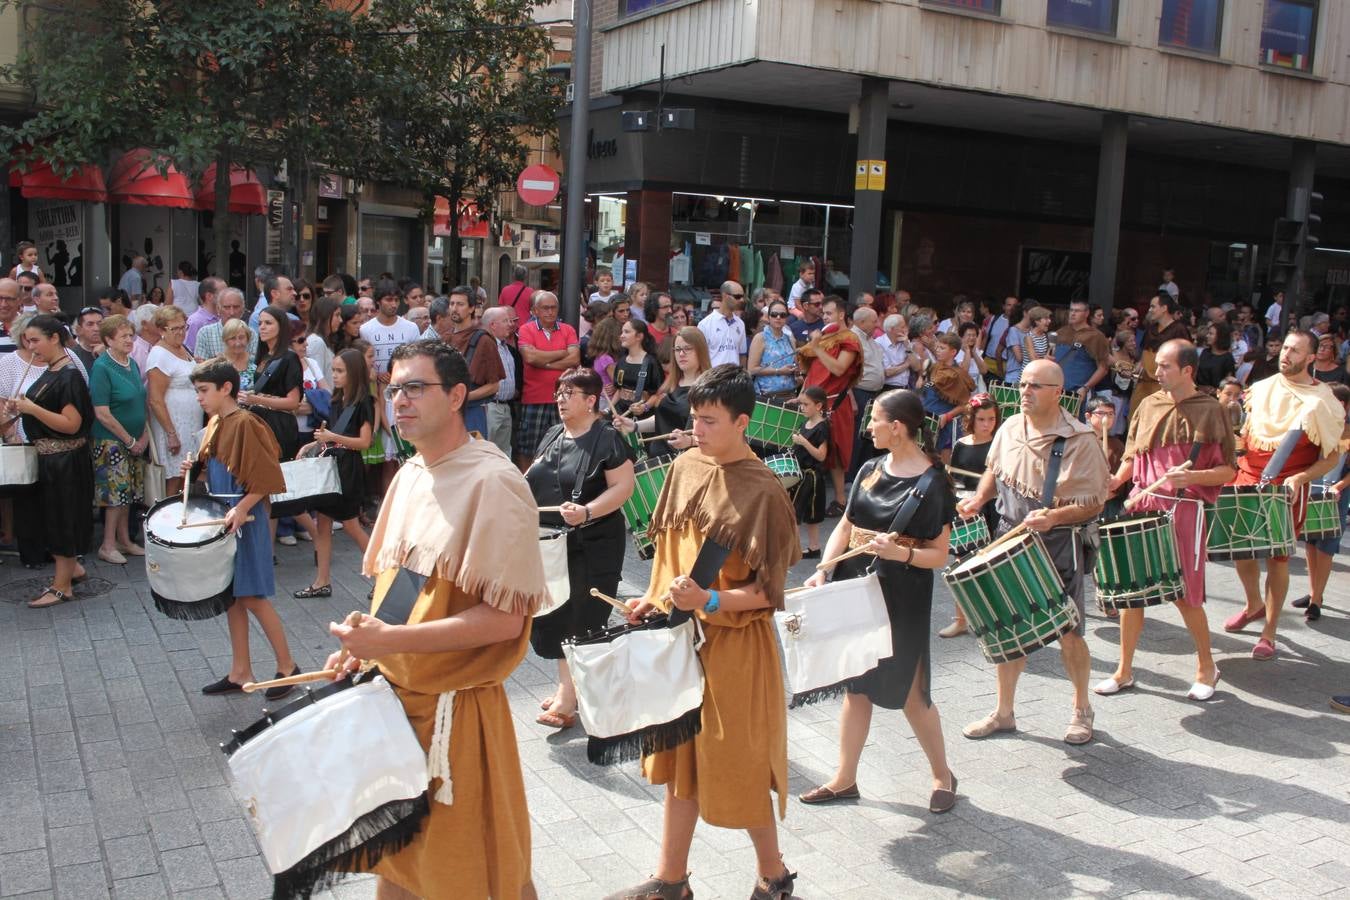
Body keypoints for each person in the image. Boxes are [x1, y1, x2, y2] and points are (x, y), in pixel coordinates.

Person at [325, 339, 547, 899]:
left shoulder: (494, 482)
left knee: (473, 873)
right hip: (395, 703)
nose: (399, 400)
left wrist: (392, 640)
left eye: (415, 388)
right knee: (398, 868)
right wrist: (364, 645)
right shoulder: (410, 473)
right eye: (393, 388)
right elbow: (400, 588)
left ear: (456, 396)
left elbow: (503, 621)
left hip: (455, 713)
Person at [610, 365, 800, 900]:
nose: (698, 429)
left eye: (710, 420)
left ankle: (774, 875)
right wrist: (649, 600)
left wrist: (709, 599)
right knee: (679, 760)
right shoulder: (686, 466)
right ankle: (671, 879)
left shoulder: (765, 491)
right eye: (694, 418)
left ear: (743, 422)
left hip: (736, 648)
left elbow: (770, 595)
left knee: (737, 763)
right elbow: (668, 553)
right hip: (679, 640)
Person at [799, 387, 957, 812]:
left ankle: (943, 775)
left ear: (897, 427)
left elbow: (938, 555)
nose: (868, 428)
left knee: (911, 692)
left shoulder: (933, 482)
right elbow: (846, 526)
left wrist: (901, 552)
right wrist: (822, 569)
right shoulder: (870, 467)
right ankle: (844, 778)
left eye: (875, 421)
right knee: (857, 687)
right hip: (857, 585)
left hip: (903, 590)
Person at [956, 359, 1109, 745]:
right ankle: (1003, 712)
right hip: (1009, 537)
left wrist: (1055, 516)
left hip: (1057, 544)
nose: (1025, 391)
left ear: (1059, 393)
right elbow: (996, 469)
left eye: (1036, 386)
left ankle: (1081, 709)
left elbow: (1095, 504)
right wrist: (978, 499)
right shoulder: (1009, 426)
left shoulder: (1080, 439)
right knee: (1008, 629)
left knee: (1069, 632)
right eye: (1023, 384)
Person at [1101, 340, 1236, 700]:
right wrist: (1116, 481)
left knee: (1185, 596)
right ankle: (1124, 669)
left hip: (1183, 510)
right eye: (1157, 365)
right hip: (1143, 503)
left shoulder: (1211, 410)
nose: (1156, 372)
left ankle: (1207, 666)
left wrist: (1191, 478)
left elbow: (1226, 471)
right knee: (1132, 594)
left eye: (1164, 366)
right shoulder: (1148, 404)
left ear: (1188, 371)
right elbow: (1134, 454)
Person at [526, 368, 636, 729]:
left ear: (591, 401)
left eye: (569, 393)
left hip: (593, 542)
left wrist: (588, 510)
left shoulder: (608, 439)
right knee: (557, 614)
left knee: (581, 617)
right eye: (559, 392)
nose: (560, 398)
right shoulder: (553, 433)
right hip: (553, 543)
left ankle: (568, 697)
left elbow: (623, 487)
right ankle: (570, 688)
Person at [1224, 330, 1344, 659]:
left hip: (1288, 486)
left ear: (1310, 357)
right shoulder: (1260, 389)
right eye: (1285, 348)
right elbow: (1244, 435)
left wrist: (1303, 477)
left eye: (1294, 350)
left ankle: (1270, 631)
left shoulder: (1322, 400)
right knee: (1240, 549)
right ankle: (1253, 605)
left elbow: (1332, 457)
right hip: (1247, 477)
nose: (1286, 354)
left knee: (1278, 559)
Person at [183, 360, 299, 699]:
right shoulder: (218, 420)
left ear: (226, 388)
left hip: (244, 520)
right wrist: (195, 467)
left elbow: (267, 477)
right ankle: (240, 671)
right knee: (233, 597)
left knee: (252, 597)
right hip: (228, 517)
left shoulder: (246, 423)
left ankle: (288, 667)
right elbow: (214, 468)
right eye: (197, 391)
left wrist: (242, 507)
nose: (199, 398)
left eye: (204, 391)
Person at [6, 316, 93, 607]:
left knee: (62, 521)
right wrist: (19, 410)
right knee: (52, 520)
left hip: (65, 460)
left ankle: (62, 586)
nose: (30, 347)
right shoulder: (52, 370)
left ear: (54, 338)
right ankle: (72, 571)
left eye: (35, 340)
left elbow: (71, 424)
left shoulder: (67, 374)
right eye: (27, 341)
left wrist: (31, 408)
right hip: (51, 458)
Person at [294, 349, 373, 598]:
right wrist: (314, 444)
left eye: (340, 371)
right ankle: (322, 581)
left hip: (348, 469)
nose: (335, 376)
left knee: (350, 525)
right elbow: (333, 436)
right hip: (332, 466)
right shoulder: (337, 401)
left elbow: (364, 442)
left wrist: (331, 438)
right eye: (334, 371)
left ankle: (384, 577)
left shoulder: (364, 402)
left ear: (354, 373)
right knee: (323, 525)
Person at [90, 315, 149, 564]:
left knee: (130, 493)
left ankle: (125, 541)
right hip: (110, 441)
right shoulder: (102, 367)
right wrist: (128, 440)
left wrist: (143, 435)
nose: (129, 340)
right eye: (123, 336)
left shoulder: (132, 363)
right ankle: (108, 544)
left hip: (134, 439)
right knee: (115, 496)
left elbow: (139, 401)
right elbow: (102, 412)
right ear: (108, 340)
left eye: (130, 335)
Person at [941, 392, 1000, 638]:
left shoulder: (1000, 444)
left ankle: (995, 620)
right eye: (982, 419)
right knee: (960, 564)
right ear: (971, 420)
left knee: (992, 566)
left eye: (992, 419)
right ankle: (961, 619)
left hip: (992, 509)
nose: (987, 424)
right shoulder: (961, 444)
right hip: (964, 510)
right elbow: (954, 480)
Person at [1291, 382, 1350, 622]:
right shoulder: (1316, 427)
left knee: (1326, 546)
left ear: (1343, 405)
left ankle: (1316, 601)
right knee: (1311, 543)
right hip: (1313, 489)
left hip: (1336, 493)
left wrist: (1339, 486)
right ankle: (1315, 592)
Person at [799, 296, 861, 515]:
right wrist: (801, 396)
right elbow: (813, 372)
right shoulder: (825, 338)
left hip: (835, 402)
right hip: (813, 401)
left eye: (829, 313)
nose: (824, 317)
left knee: (834, 452)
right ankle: (804, 496)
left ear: (841, 314)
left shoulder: (849, 338)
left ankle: (841, 500)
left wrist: (816, 348)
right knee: (807, 448)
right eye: (823, 313)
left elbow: (838, 369)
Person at [615, 327, 710, 458]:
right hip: (657, 459)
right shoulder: (671, 383)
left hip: (682, 462)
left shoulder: (709, 389)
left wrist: (690, 441)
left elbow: (717, 434)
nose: (681, 354)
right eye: (677, 349)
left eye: (687, 348)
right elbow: (665, 420)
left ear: (700, 351)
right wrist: (635, 426)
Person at [514, 291, 580, 468]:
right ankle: (525, 485)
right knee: (528, 447)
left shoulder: (568, 329)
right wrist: (561, 353)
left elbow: (574, 359)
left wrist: (545, 362)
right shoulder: (526, 329)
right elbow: (530, 358)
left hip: (563, 398)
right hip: (534, 398)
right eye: (545, 308)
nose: (550, 312)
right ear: (535, 311)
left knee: (563, 445)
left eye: (554, 307)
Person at [145, 305, 200, 498]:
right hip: (173, 425)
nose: (180, 332)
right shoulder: (159, 354)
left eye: (183, 327)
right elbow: (155, 399)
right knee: (174, 478)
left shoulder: (181, 347)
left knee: (184, 475)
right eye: (174, 329)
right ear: (161, 330)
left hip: (189, 426)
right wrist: (171, 434)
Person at [240, 306, 303, 463]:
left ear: (281, 327)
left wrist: (256, 400)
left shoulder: (289, 358)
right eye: (260, 323)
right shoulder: (265, 356)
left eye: (268, 323)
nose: (262, 327)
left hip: (279, 425)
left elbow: (293, 402)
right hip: (260, 422)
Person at [438, 287, 503, 437]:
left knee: (471, 458)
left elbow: (494, 386)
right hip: (445, 410)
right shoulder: (444, 339)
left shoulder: (484, 340)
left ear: (472, 308)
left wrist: (465, 396)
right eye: (452, 304)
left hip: (472, 412)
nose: (454, 308)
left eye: (460, 304)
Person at [921, 333, 974, 463]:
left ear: (953, 352)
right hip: (928, 421)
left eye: (942, 348)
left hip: (947, 425)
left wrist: (947, 416)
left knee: (944, 465)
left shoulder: (959, 374)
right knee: (923, 462)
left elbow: (964, 404)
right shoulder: (934, 367)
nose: (938, 351)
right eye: (937, 347)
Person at [790, 385, 830, 557]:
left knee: (797, 512)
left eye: (806, 405)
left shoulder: (822, 427)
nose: (802, 408)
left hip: (811, 475)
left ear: (819, 406)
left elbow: (821, 456)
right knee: (804, 513)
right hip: (800, 473)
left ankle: (793, 550)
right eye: (802, 404)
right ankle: (814, 548)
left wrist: (803, 442)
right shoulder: (804, 423)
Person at [1132, 294, 1190, 410]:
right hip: (1144, 383)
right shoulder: (1151, 328)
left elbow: (1186, 359)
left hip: (1165, 385)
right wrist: (1137, 367)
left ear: (1164, 308)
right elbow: (1144, 354)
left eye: (1153, 307)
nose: (1150, 310)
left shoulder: (1179, 329)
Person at [481, 306, 521, 457]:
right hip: (490, 406)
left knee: (503, 454)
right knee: (485, 452)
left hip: (505, 407)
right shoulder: (485, 345)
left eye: (511, 321)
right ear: (493, 325)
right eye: (505, 321)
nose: (510, 324)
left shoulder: (505, 347)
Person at [1053, 299, 1110, 403]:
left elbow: (1103, 369)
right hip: (1055, 389)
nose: (1073, 314)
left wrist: (1085, 388)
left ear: (1087, 313)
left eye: (1077, 311)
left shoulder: (1096, 336)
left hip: (1078, 392)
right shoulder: (1060, 332)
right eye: (1071, 310)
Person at [749, 299, 799, 399]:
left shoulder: (790, 339)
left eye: (783, 315)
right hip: (766, 396)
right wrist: (779, 371)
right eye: (774, 314)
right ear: (768, 317)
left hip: (790, 395)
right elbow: (751, 369)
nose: (778, 317)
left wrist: (798, 374)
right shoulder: (760, 338)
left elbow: (796, 366)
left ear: (787, 318)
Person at [611, 319, 663, 416]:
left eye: (626, 332)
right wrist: (609, 410)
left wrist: (645, 407)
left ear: (639, 336)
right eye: (622, 332)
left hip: (641, 416)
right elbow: (619, 390)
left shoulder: (651, 362)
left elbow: (658, 393)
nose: (621, 336)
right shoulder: (622, 361)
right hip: (620, 412)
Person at [698, 280, 749, 367]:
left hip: (735, 378)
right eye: (737, 296)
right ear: (725, 296)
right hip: (714, 377)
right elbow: (699, 356)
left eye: (742, 296)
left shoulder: (740, 324)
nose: (741, 300)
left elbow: (742, 354)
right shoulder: (705, 324)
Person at [184, 276, 224, 355]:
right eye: (223, 293)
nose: (228, 296)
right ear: (209, 296)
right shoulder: (195, 321)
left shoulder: (224, 316)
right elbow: (189, 351)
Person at [1196, 323, 1238, 392]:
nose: (1207, 336)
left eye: (1211, 334)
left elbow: (1228, 380)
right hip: (1200, 392)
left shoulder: (1227, 358)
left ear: (1220, 336)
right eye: (1208, 333)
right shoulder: (1205, 352)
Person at [70, 305, 104, 370]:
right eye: (90, 324)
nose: (96, 329)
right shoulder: (73, 356)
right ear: (79, 329)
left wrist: (106, 356)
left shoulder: (115, 351)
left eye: (100, 324)